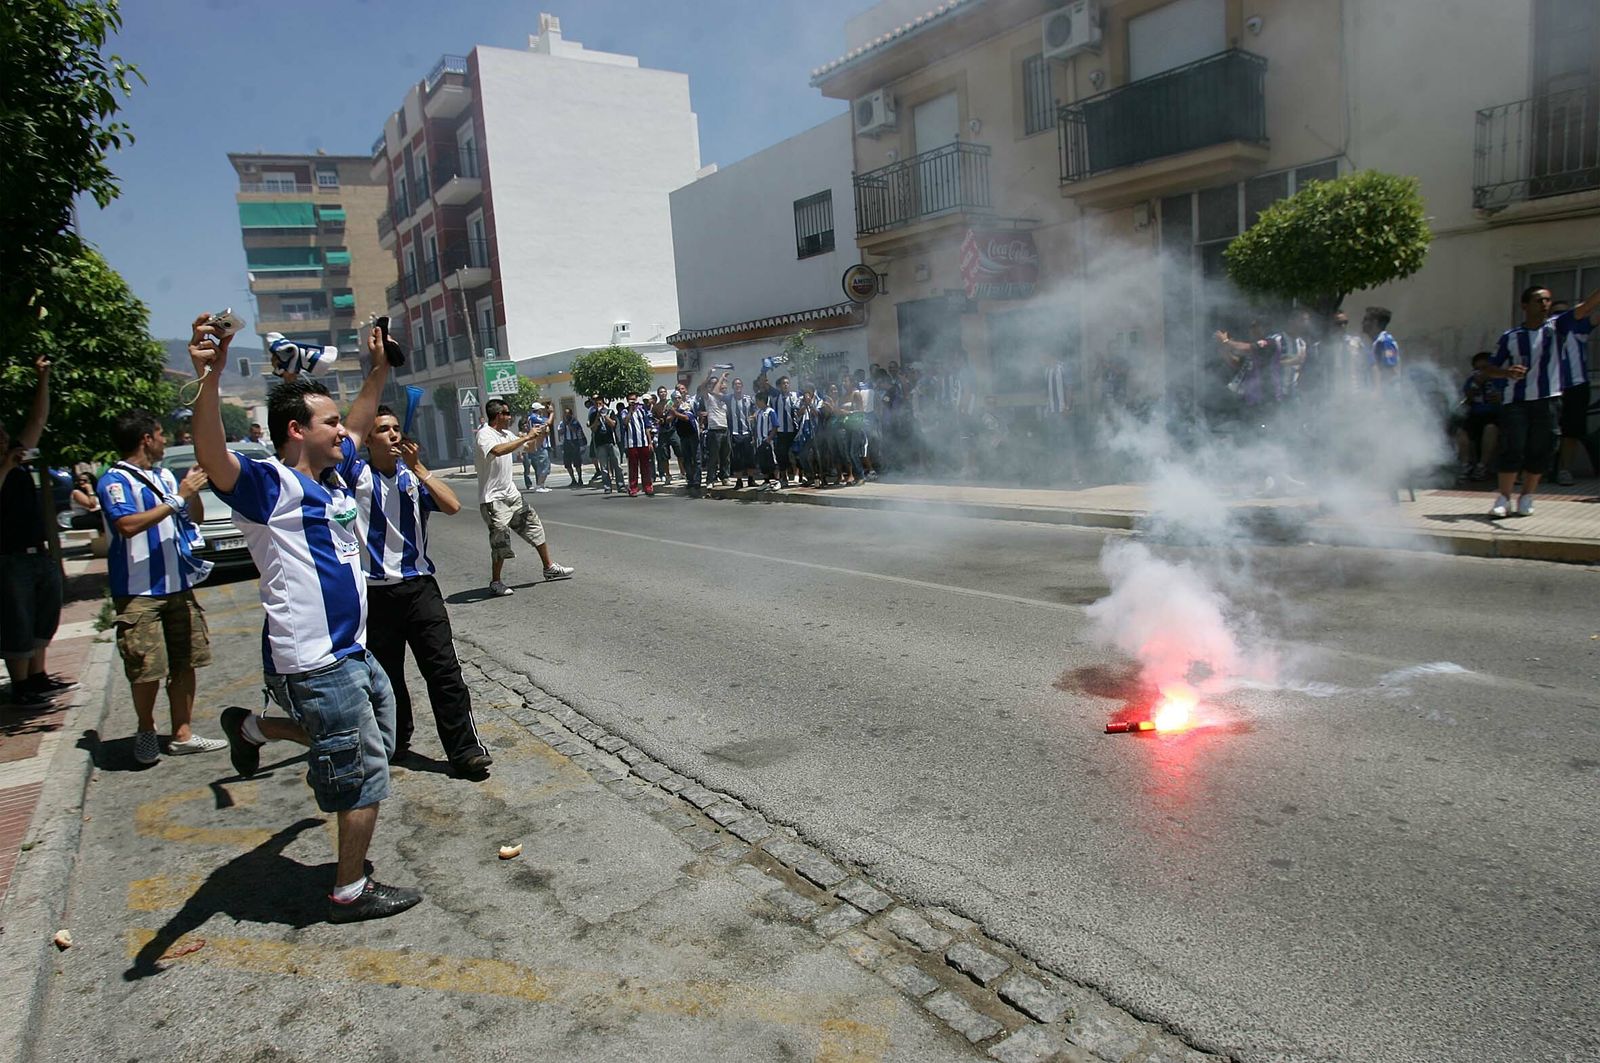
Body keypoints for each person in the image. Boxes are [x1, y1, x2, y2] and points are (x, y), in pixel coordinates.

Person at [189, 317, 422, 924]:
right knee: (365, 770)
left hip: (352, 653)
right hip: (316, 662)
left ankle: (251, 731)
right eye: (331, 422)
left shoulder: (333, 478)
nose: (346, 429)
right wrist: (209, 379)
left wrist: (377, 370)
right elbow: (214, 455)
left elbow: (366, 418)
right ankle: (348, 890)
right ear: (297, 431)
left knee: (376, 741)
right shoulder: (271, 487)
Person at [360, 405, 493, 777]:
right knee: (386, 676)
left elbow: (452, 505)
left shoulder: (412, 478)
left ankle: (465, 750)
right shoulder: (352, 476)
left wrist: (419, 468)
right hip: (374, 595)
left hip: (419, 589)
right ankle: (395, 741)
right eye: (383, 429)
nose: (393, 435)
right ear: (367, 439)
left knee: (444, 672)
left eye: (396, 428)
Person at [99, 409, 225, 765]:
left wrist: (191, 492)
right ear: (146, 439)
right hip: (139, 591)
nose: (165, 440)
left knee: (186, 660)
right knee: (146, 667)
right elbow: (125, 524)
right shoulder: (114, 480)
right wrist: (176, 498)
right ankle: (145, 730)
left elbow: (194, 517)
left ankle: (182, 733)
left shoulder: (166, 477)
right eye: (159, 434)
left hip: (178, 585)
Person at [1485, 285, 1600, 517]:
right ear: (1525, 306)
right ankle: (1503, 498)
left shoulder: (1558, 326)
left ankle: (1527, 496)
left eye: (1548, 300)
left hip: (1548, 399)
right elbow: (1488, 368)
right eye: (1539, 300)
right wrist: (1506, 373)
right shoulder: (1511, 337)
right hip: (1515, 400)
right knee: (1513, 447)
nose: (1545, 304)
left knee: (1542, 448)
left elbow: (1587, 307)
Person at [0, 357, 70, 710]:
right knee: (17, 621)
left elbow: (37, 420)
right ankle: (21, 684)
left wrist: (43, 378)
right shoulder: (5, 468)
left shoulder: (15, 456)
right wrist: (6, 466)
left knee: (43, 616)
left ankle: (39, 676)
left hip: (36, 551)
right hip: (8, 558)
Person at [476, 398, 574, 596]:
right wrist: (525, 437)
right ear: (498, 416)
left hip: (511, 493)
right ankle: (496, 581)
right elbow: (497, 450)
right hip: (493, 499)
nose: (510, 417)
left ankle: (549, 567)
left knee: (533, 525)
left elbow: (528, 448)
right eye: (507, 413)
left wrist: (538, 436)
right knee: (500, 538)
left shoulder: (506, 434)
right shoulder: (484, 434)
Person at [1552, 297, 1595, 486]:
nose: (1561, 314)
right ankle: (1533, 469)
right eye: (1557, 311)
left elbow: (1593, 316)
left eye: (1564, 311)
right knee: (1544, 431)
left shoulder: (1581, 326)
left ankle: (1564, 469)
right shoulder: (1550, 328)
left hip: (1577, 386)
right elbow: (1586, 306)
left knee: (1572, 431)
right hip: (1551, 387)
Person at [1456, 352, 1502, 482]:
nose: (1481, 372)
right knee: (1462, 431)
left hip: (1494, 415)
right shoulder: (1472, 381)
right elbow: (1467, 397)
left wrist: (1499, 398)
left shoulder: (1500, 380)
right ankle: (1465, 465)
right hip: (1475, 414)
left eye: (1485, 368)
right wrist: (1476, 385)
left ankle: (1482, 466)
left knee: (1490, 429)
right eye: (1478, 369)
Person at [621, 391, 656, 496]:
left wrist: (650, 442)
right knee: (633, 467)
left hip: (643, 442)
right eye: (631, 399)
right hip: (632, 443)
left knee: (645, 466)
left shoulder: (642, 411)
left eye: (634, 399)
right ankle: (633, 488)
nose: (633, 401)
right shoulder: (624, 411)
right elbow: (625, 422)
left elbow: (647, 427)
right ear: (627, 400)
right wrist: (630, 411)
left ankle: (648, 486)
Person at [728, 377, 758, 489]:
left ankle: (751, 479)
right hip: (735, 434)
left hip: (747, 432)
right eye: (735, 384)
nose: (738, 386)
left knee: (750, 457)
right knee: (737, 459)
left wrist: (753, 416)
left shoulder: (748, 399)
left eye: (739, 384)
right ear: (733, 387)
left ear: (742, 386)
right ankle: (739, 481)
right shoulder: (729, 399)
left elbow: (756, 410)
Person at [770, 375, 799, 488]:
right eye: (783, 383)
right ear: (779, 386)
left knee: (795, 454)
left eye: (787, 383)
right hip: (781, 431)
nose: (786, 385)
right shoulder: (775, 399)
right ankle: (784, 477)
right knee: (781, 455)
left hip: (793, 430)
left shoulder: (794, 396)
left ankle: (798, 475)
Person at [588, 396, 622, 494]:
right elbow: (593, 429)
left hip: (611, 441)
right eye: (596, 404)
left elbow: (613, 424)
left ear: (603, 404)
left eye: (600, 404)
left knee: (617, 465)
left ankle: (621, 485)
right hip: (600, 443)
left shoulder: (610, 412)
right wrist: (597, 418)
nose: (598, 406)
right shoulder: (593, 414)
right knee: (604, 467)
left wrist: (605, 416)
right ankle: (607, 487)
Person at [1362, 307, 1401, 391]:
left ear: (1375, 322)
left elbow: (1389, 370)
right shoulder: (1375, 342)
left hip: (1387, 394)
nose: (1362, 323)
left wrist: (1379, 393)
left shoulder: (1384, 342)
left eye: (1366, 320)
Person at [520, 403, 553, 492]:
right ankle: (539, 486)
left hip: (543, 444)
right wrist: (551, 413)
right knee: (544, 464)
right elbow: (548, 422)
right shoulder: (533, 417)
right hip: (539, 444)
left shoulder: (536, 418)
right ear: (538, 410)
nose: (542, 411)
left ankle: (541, 484)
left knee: (545, 465)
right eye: (541, 409)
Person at [557, 407, 587, 488]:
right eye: (565, 414)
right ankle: (573, 479)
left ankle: (580, 479)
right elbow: (560, 432)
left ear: (571, 414)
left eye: (568, 414)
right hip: (566, 443)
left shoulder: (575, 422)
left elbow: (576, 430)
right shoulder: (561, 423)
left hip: (575, 442)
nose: (566, 415)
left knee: (577, 462)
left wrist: (569, 424)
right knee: (567, 463)